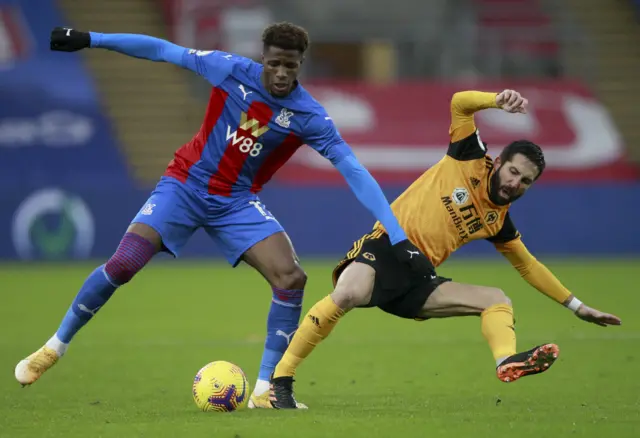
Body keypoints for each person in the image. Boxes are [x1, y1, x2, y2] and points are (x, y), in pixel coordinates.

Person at [14, 23, 434, 410]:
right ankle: (53, 347)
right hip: (184, 185)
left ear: (300, 64)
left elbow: (356, 174)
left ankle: (267, 389)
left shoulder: (310, 117)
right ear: (262, 58)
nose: (282, 73)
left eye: (290, 65)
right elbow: (162, 49)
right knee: (123, 264)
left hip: (235, 202)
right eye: (274, 64)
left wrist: (397, 236)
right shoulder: (228, 69)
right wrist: (92, 38)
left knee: (291, 278)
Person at [268, 89, 622, 409]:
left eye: (525, 181)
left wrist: (576, 306)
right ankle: (280, 383)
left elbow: (528, 266)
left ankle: (506, 362)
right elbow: (459, 103)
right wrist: (495, 100)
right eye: (513, 171)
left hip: (419, 278)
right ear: (498, 163)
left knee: (497, 299)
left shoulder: (498, 222)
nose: (515, 183)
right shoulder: (468, 156)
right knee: (348, 293)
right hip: (388, 248)